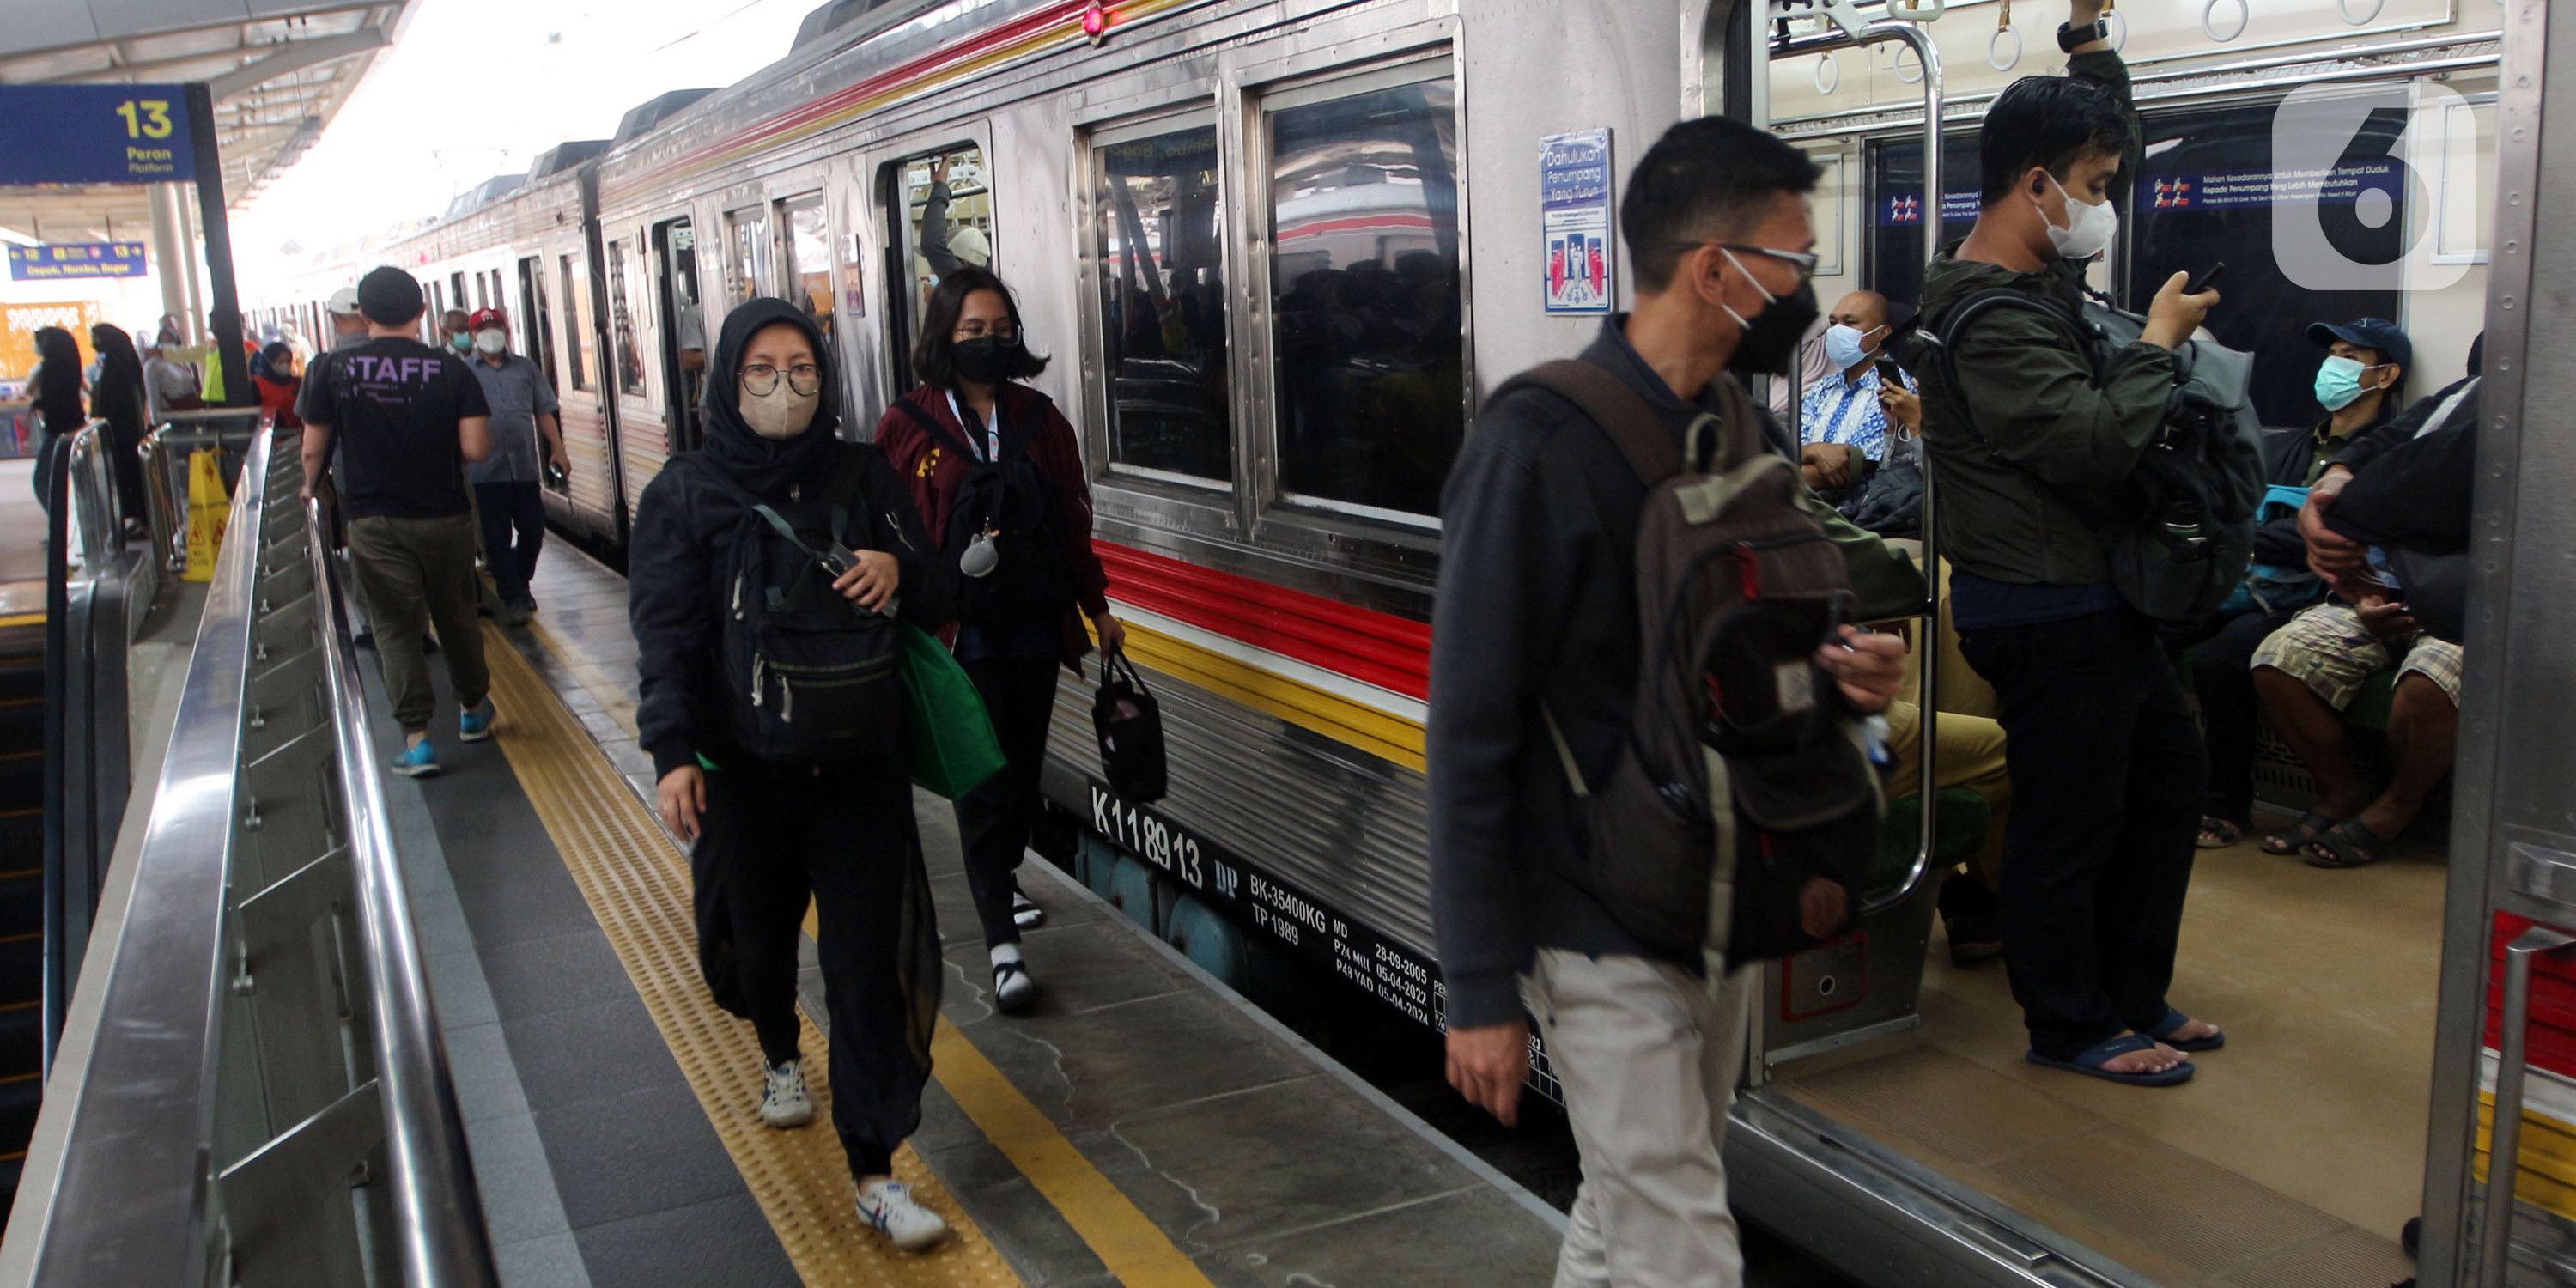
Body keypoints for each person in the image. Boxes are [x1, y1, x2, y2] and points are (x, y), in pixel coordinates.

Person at [1431, 114, 1912, 1286]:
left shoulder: (1736, 425)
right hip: (1593, 916)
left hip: (1716, 890)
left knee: (1631, 1203)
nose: (1809, 290)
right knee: (1683, 1250)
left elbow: (1748, 651)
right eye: (1794, 262)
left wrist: (1846, 681)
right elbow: (1470, 726)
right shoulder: (1535, 443)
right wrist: (1479, 986)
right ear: (1716, 269)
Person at [1914, 0, 2223, 1087]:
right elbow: (2092, 444)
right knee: (2070, 819)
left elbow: (2104, 138)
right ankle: (2070, 1022)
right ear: (2034, 183)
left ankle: (2132, 992)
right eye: (2090, 187)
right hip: (2043, 606)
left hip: (2097, 600)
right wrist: (2155, 349)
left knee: (2165, 789)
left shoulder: (2040, 287)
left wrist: (2092, 49)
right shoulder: (1989, 318)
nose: (2102, 208)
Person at [629, 295, 952, 1252]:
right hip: (744, 774)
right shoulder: (686, 494)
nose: (784, 388)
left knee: (862, 969)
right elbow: (668, 634)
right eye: (761, 371)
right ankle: (778, 1051)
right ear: (729, 383)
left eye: (802, 369)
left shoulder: (864, 473)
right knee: (758, 944)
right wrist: (673, 752)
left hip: (859, 768)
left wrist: (898, 568)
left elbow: (935, 580)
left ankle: (875, 1170)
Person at [875, 265, 1121, 1017]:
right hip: (960, 636)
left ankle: (1003, 876)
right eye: (971, 330)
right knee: (983, 783)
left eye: (999, 329)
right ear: (943, 336)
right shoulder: (908, 427)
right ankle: (1002, 949)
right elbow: (890, 532)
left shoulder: (1042, 423)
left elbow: (1073, 526)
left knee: (1017, 776)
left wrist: (1098, 610)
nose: (987, 342)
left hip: (1033, 629)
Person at [2249, 339, 2480, 870]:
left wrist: (2348, 518)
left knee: (2427, 683)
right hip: (2379, 585)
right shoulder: (2452, 401)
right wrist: (2335, 481)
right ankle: (2341, 791)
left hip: (2466, 612)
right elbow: (2376, 450)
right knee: (2278, 660)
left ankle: (2398, 805)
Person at [2187, 317, 2408, 850]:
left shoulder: (2387, 452)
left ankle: (2227, 806)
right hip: (2250, 580)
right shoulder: (2291, 445)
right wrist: (2259, 534)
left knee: (2221, 659)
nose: (2332, 367)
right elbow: (2242, 511)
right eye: (2332, 354)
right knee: (2154, 626)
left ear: (2385, 375)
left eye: (2350, 358)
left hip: (2315, 593)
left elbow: (2341, 536)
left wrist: (2258, 534)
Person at [296, 266, 495, 778]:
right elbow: (474, 448)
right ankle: (474, 711)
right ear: (422, 312)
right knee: (456, 615)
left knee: (394, 627)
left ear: (363, 315)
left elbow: (314, 448)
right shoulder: (453, 371)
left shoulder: (332, 370)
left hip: (374, 519)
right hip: (445, 516)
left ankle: (418, 739)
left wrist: (310, 489)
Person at [461, 307, 568, 623]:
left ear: (507, 331)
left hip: (523, 468)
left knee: (533, 531)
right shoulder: (464, 373)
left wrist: (558, 449)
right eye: (483, 328)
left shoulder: (526, 369)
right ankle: (514, 595)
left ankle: (520, 581)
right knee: (496, 538)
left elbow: (544, 411)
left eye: (496, 326)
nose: (491, 332)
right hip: (484, 472)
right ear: (473, 336)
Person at [1797, 289, 1920, 493]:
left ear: (1883, 333)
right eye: (1834, 323)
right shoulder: (1823, 387)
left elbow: (1847, 470)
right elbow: (1787, 447)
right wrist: (1811, 451)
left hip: (1854, 515)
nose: (1837, 332)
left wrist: (1776, 473)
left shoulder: (1892, 391)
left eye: (1850, 323)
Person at [87, 324, 149, 525]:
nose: (94, 343)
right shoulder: (122, 363)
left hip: (121, 431)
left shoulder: (115, 367)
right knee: (129, 475)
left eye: (96, 338)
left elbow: (110, 401)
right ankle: (138, 518)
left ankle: (141, 518)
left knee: (129, 475)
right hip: (125, 429)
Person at [27, 328, 83, 513]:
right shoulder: (70, 363)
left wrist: (38, 403)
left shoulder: (51, 368)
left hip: (58, 430)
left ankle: (59, 524)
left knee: (42, 479)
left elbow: (53, 399)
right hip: (73, 424)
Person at [919, 155, 993, 283]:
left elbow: (932, 244)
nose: (933, 272)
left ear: (963, 264)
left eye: (939, 266)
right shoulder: (986, 288)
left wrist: (940, 186)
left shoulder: (968, 285)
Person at [141, 329, 203, 420]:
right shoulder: (154, 365)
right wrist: (156, 422)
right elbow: (153, 396)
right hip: (171, 415)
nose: (166, 344)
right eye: (164, 341)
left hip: (192, 412)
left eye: (169, 341)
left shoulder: (184, 361)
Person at [253, 342, 303, 431]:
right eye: (281, 362)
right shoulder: (257, 386)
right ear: (269, 363)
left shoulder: (298, 382)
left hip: (301, 434)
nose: (285, 365)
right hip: (275, 437)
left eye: (288, 361)